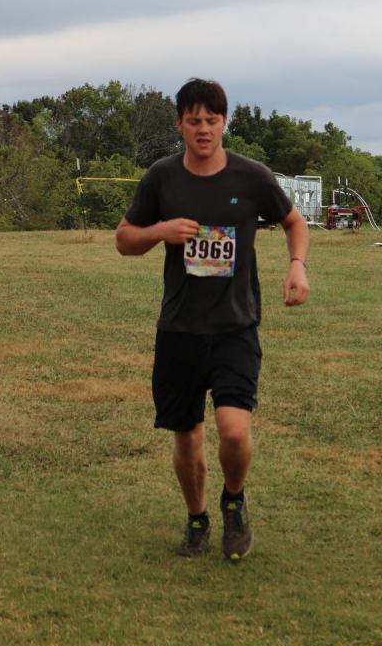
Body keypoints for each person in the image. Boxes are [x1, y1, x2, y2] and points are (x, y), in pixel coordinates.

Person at [115, 77, 310, 561]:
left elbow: (294, 221)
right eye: (194, 120)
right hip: (179, 329)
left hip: (234, 327)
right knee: (187, 435)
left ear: (224, 122)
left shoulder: (251, 177)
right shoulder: (162, 178)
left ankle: (234, 501)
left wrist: (297, 265)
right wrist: (160, 230)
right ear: (179, 124)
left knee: (234, 430)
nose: (203, 129)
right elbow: (124, 239)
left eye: (212, 120)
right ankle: (197, 517)